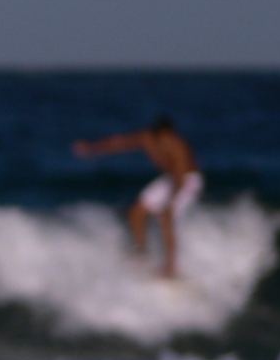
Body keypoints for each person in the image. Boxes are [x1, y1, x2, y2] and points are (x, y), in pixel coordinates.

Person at [72, 116, 202, 279]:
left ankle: (170, 268)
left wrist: (170, 201)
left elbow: (180, 179)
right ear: (157, 135)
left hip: (188, 180)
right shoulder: (146, 138)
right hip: (170, 178)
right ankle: (142, 255)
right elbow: (120, 143)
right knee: (136, 212)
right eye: (163, 138)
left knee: (166, 215)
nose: (167, 142)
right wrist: (91, 148)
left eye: (170, 137)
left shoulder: (179, 146)